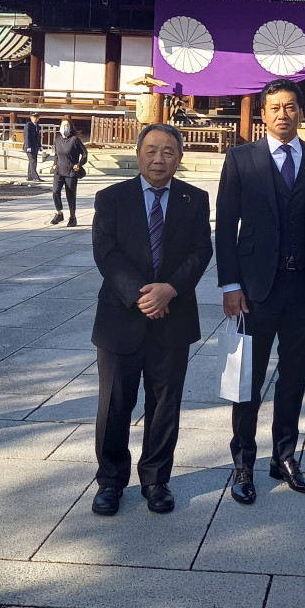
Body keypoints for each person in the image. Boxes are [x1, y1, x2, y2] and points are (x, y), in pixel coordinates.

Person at [216, 78, 305, 505]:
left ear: (300, 112)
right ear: (263, 115)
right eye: (274, 108)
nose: (282, 114)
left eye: (290, 106)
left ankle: (284, 456)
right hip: (254, 290)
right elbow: (225, 224)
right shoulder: (240, 158)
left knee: (294, 377)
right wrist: (230, 284)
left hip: (303, 291)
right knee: (246, 378)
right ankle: (243, 461)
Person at [90, 123, 212, 516]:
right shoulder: (111, 197)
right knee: (114, 404)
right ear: (139, 153)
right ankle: (110, 482)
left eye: (169, 152)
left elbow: (201, 250)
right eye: (152, 150)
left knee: (165, 404)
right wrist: (142, 295)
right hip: (121, 317)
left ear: (180, 157)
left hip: (172, 318)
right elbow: (105, 252)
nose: (160, 158)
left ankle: (157, 480)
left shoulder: (196, 199)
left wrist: (170, 290)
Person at [51, 118, 87, 227]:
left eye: (66, 126)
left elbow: (85, 154)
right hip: (59, 171)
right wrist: (54, 163)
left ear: (70, 128)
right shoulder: (57, 140)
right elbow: (57, 154)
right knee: (55, 192)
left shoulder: (75, 140)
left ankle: (72, 217)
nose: (64, 128)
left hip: (71, 172)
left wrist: (79, 164)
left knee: (70, 195)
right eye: (63, 125)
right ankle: (59, 213)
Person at [23, 112, 42, 182]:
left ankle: (29, 176)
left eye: (37, 117)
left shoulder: (37, 126)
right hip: (29, 146)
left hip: (35, 146)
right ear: (31, 118)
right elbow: (26, 137)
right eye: (34, 117)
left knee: (32, 161)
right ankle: (35, 177)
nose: (36, 119)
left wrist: (40, 145)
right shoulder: (28, 125)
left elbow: (38, 137)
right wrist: (28, 146)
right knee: (33, 161)